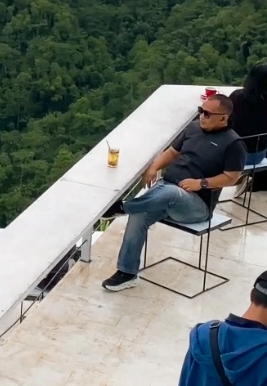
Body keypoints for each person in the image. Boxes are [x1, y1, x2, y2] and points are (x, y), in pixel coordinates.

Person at [102, 95, 246, 291]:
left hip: (196, 205)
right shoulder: (194, 128)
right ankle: (126, 273)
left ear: (223, 118)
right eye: (200, 111)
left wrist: (201, 183)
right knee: (140, 214)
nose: (202, 116)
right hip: (167, 191)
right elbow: (172, 152)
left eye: (207, 113)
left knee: (170, 192)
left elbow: (232, 177)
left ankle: (124, 207)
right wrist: (155, 167)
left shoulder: (233, 144)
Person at [230, 63, 267, 193]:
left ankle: (241, 178)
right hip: (258, 155)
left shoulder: (237, 97)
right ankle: (258, 182)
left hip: (234, 156)